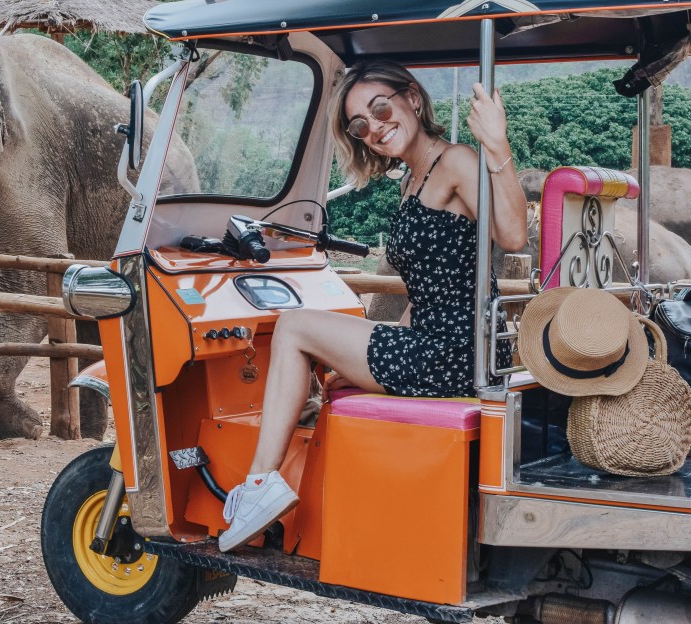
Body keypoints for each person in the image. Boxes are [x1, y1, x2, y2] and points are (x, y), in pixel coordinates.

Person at [218, 60, 528, 553]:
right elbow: (427, 292)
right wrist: (364, 363)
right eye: (360, 125)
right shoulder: (413, 180)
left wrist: (496, 143)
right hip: (436, 344)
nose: (375, 127)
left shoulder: (456, 161)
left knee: (293, 327)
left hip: (455, 353)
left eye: (381, 109)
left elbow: (512, 235)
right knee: (327, 364)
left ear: (413, 99)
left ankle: (259, 485)